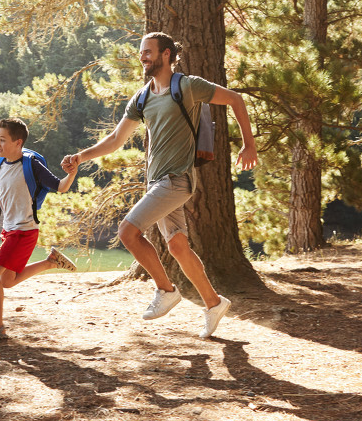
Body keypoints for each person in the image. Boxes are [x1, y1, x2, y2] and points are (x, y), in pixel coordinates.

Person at [62, 32, 258, 339]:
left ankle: (166, 290)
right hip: (157, 181)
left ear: (166, 54)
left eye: (148, 52)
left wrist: (249, 144)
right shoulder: (142, 97)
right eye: (141, 52)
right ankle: (214, 302)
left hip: (177, 180)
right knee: (178, 246)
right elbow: (115, 140)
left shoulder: (188, 86)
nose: (143, 57)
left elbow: (235, 99)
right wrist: (81, 156)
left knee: (128, 232)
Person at [0, 117, 78, 340]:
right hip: (9, 230)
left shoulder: (31, 165)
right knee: (7, 281)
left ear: (18, 142)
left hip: (24, 231)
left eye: (2, 140)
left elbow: (61, 186)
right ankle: (51, 261)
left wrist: (73, 172)